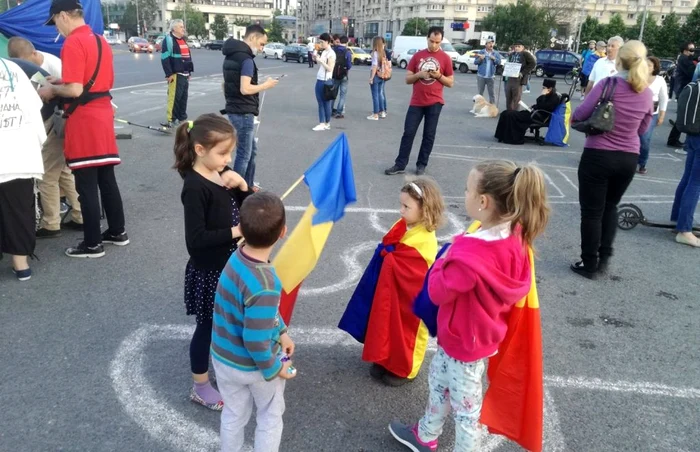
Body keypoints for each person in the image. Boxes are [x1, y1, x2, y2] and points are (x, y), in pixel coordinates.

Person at [388, 160, 550, 452]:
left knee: (466, 410)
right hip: (477, 335)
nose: (464, 195)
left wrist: (445, 257)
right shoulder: (515, 233)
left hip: (463, 341)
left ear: (484, 202)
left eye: (467, 190)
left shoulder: (469, 257)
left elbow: (437, 291)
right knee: (439, 384)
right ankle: (426, 433)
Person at [174, 114, 253, 410]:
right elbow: (195, 240)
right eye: (222, 153)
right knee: (207, 327)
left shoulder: (222, 173)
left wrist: (242, 186)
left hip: (230, 266)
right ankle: (200, 385)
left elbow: (243, 209)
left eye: (230, 152)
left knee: (231, 321)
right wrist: (236, 232)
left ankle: (231, 366)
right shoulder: (194, 187)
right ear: (199, 150)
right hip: (210, 271)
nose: (228, 159)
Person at [40, 0, 128, 259]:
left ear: (64, 15)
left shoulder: (73, 42)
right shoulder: (100, 39)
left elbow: (76, 90)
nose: (56, 26)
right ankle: (117, 232)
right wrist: (63, 81)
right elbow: (90, 80)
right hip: (102, 115)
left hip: (83, 120)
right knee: (107, 179)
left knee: (86, 183)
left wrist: (52, 89)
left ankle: (92, 243)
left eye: (55, 20)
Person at [211, 191, 296, 451]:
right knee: (270, 415)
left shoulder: (236, 257)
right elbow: (255, 340)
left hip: (223, 358)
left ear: (243, 230)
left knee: (234, 415)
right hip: (253, 367)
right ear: (283, 232)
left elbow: (259, 316)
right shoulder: (267, 284)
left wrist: (281, 330)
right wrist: (275, 369)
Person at [338, 179, 445, 386]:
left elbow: (417, 269)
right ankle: (384, 358)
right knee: (385, 321)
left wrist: (390, 257)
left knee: (404, 330)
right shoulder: (404, 224)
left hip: (411, 302)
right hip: (392, 289)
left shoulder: (425, 240)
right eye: (401, 204)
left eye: (407, 207)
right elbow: (391, 244)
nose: (401, 210)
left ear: (425, 209)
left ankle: (405, 369)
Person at [570, 40, 653, 279]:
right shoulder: (646, 93)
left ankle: (589, 264)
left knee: (592, 212)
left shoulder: (609, 85)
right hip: (628, 157)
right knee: (611, 206)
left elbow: (581, 113)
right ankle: (604, 258)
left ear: (619, 60)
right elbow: (643, 129)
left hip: (598, 154)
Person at [8, 36, 83, 238]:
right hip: (60, 121)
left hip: (54, 122)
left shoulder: (26, 68)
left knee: (47, 175)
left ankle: (51, 224)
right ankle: (79, 214)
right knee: (63, 171)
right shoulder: (32, 68)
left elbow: (55, 94)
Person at [0, 57, 47, 281]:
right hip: (18, 151)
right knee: (19, 210)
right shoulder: (12, 68)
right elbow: (34, 105)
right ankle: (21, 265)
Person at [385, 27, 454, 176]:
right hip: (416, 102)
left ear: (441, 41)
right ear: (426, 38)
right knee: (408, 132)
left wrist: (438, 76)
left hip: (435, 102)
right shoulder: (418, 56)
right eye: (431, 41)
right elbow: (408, 79)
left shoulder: (445, 58)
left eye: (437, 42)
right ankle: (400, 164)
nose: (434, 45)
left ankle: (421, 164)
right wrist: (419, 74)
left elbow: (450, 82)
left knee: (429, 135)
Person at [223, 25, 279, 189]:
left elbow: (226, 84)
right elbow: (245, 88)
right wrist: (266, 85)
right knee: (244, 154)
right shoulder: (246, 59)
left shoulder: (231, 55)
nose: (262, 48)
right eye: (262, 44)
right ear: (253, 38)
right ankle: (237, 190)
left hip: (235, 108)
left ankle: (247, 184)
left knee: (250, 151)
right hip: (243, 112)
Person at [494, 78, 560, 145]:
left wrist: (543, 96)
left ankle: (510, 137)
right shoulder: (547, 95)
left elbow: (544, 106)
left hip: (538, 116)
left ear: (550, 89)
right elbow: (538, 104)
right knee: (506, 113)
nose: (542, 89)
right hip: (534, 112)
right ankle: (501, 135)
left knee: (511, 115)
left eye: (544, 88)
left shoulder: (554, 98)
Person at [160, 19, 194, 128]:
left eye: (183, 26)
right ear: (174, 29)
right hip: (176, 74)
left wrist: (189, 72)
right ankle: (171, 119)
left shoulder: (183, 40)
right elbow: (165, 58)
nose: (183, 29)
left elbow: (187, 57)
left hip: (184, 74)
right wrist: (169, 74)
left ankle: (182, 118)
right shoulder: (169, 40)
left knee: (183, 98)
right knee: (174, 98)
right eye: (181, 27)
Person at [637, 57, 668, 175]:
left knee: (644, 138)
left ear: (655, 67)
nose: (646, 67)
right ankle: (631, 161)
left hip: (651, 113)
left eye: (649, 65)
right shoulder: (638, 78)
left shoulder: (659, 80)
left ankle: (642, 162)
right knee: (633, 137)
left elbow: (664, 98)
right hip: (636, 112)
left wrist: (662, 115)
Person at [670, 134, 700, 247]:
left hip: (694, 133)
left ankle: (678, 220)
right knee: (695, 183)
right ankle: (684, 230)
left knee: (688, 178)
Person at [667, 42, 696, 149]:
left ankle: (673, 139)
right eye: (691, 50)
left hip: (683, 90)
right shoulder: (684, 59)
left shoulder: (685, 59)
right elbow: (691, 72)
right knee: (683, 116)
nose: (693, 52)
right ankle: (673, 139)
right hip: (684, 90)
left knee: (683, 116)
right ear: (685, 50)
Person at [312, 33, 336, 131]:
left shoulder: (331, 53)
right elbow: (319, 62)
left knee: (325, 102)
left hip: (325, 80)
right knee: (321, 102)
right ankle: (325, 122)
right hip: (320, 78)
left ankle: (324, 123)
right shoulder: (324, 52)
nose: (320, 44)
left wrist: (321, 61)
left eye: (322, 42)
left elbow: (330, 68)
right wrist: (316, 56)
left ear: (327, 42)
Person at [504, 40, 536, 111]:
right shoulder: (512, 54)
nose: (517, 48)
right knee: (508, 95)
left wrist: (523, 72)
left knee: (516, 97)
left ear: (523, 47)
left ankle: (515, 113)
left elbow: (532, 63)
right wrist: (506, 67)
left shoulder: (525, 54)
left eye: (519, 46)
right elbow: (509, 63)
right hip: (510, 77)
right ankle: (509, 111)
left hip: (518, 78)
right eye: (516, 46)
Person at [474, 39, 501, 104]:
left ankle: (492, 107)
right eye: (489, 43)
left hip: (491, 76)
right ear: (485, 45)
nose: (491, 44)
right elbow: (475, 62)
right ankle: (478, 106)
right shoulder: (481, 52)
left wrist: (494, 58)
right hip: (481, 76)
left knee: (491, 93)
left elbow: (499, 62)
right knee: (480, 93)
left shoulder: (496, 53)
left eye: (492, 43)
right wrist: (480, 58)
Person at [332, 35, 352, 119]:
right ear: (347, 42)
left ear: (339, 41)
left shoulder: (334, 50)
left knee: (333, 93)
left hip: (334, 74)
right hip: (344, 75)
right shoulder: (347, 52)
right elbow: (349, 65)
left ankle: (330, 110)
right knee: (342, 95)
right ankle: (339, 112)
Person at [368, 36, 387, 120]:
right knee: (380, 94)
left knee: (375, 95)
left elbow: (374, 66)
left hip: (376, 75)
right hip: (382, 75)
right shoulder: (383, 53)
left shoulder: (375, 53)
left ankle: (375, 114)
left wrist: (371, 77)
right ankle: (381, 111)